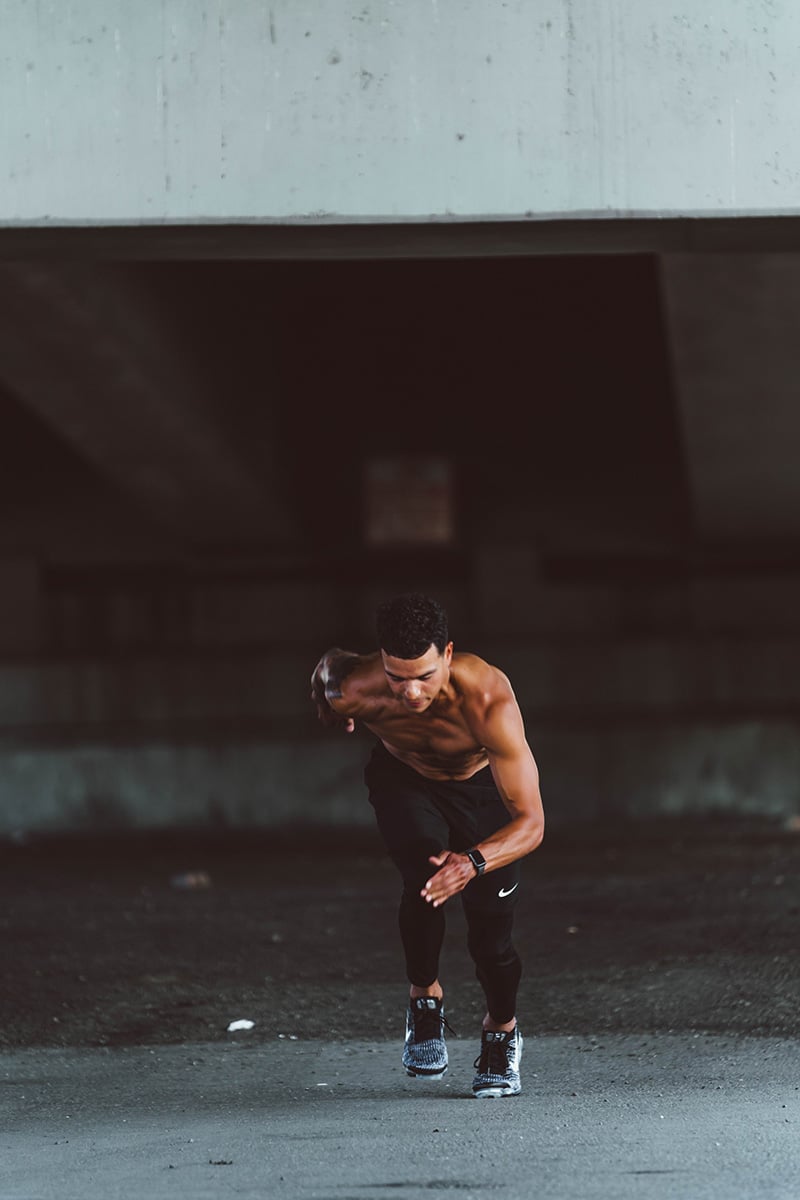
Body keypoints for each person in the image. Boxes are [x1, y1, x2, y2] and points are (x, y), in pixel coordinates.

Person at [310, 592, 544, 1098]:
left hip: (480, 791)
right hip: (406, 778)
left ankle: (502, 1031)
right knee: (424, 874)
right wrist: (328, 710)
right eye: (398, 679)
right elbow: (328, 669)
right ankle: (425, 999)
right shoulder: (355, 688)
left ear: (448, 654)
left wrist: (475, 861)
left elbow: (531, 824)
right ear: (382, 664)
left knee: (492, 937)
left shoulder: (489, 701)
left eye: (425, 677)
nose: (412, 693)